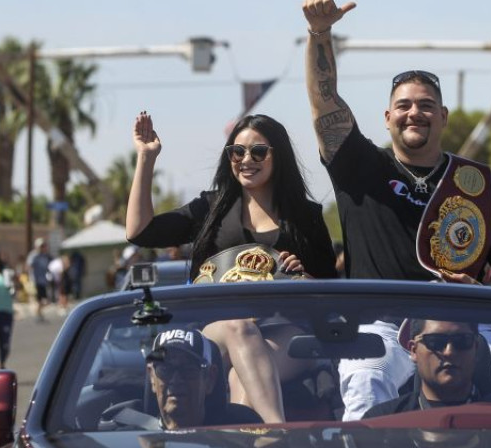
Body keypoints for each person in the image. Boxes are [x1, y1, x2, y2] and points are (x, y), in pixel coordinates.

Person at [302, 0, 491, 420]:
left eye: (425, 105)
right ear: (387, 117)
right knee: (368, 387)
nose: (414, 113)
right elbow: (324, 105)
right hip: (380, 325)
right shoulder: (359, 166)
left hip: (463, 325)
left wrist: (482, 296)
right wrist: (320, 34)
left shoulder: (477, 182)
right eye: (404, 105)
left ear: (442, 116)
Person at [126, 112, 337, 423]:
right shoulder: (210, 208)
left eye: (258, 151)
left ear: (278, 156)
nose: (246, 159)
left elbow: (332, 293)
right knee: (240, 327)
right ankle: (279, 435)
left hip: (285, 331)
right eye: (237, 152)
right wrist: (146, 158)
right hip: (217, 332)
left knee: (243, 377)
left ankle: (259, 441)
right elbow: (139, 231)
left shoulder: (306, 216)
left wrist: (304, 277)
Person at [103, 328, 262, 430]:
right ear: (152, 377)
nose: (176, 379)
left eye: (188, 369)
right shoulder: (125, 438)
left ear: (210, 379)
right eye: (165, 369)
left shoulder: (243, 434)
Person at [362, 320, 484, 418]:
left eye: (462, 341)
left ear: (476, 348)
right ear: (413, 351)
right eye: (435, 341)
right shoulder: (381, 424)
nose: (449, 352)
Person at [26, 237, 51, 322]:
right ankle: (38, 314)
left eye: (44, 245)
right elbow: (29, 266)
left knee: (45, 300)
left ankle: (38, 313)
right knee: (39, 299)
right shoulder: (34, 255)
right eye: (41, 246)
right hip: (36, 281)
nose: (43, 247)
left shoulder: (45, 256)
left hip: (43, 280)